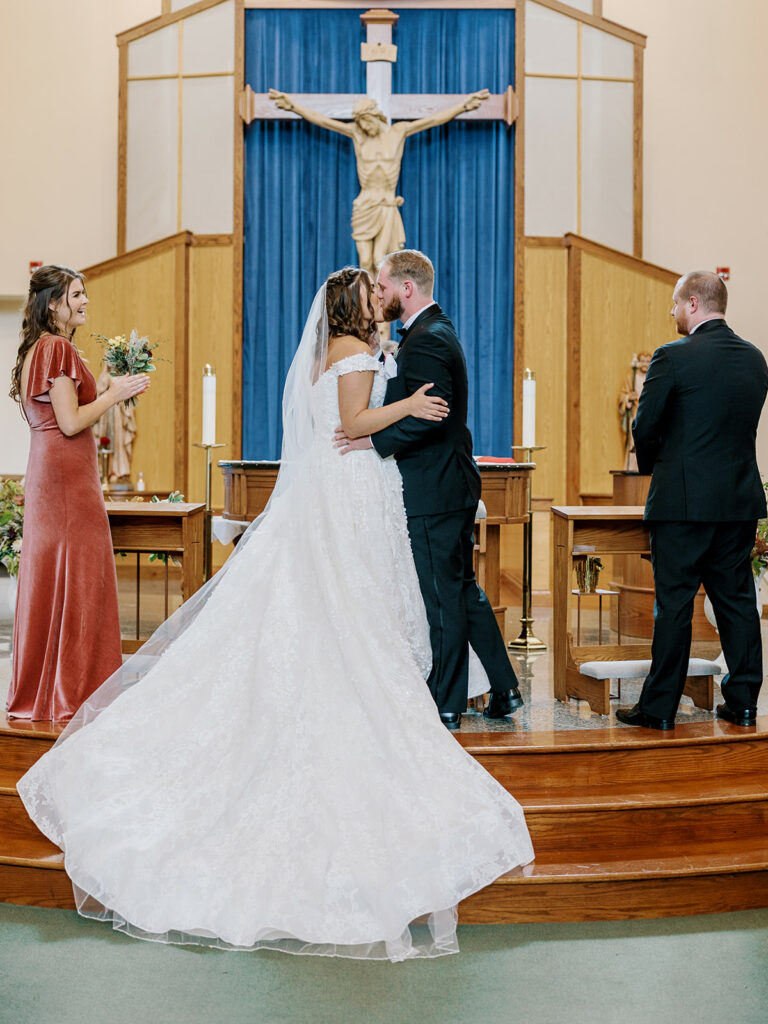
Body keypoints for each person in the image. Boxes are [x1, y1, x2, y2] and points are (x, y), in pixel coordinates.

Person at [18, 267, 534, 962]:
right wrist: (406, 404)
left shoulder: (337, 353)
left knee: (330, 606)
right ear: (356, 307)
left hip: (339, 485)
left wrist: (390, 405)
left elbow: (342, 423)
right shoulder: (351, 354)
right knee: (350, 607)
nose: (380, 301)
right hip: (349, 489)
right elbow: (353, 422)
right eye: (371, 295)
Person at [335, 250, 523, 730]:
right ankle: (504, 688)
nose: (378, 295)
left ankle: (447, 704)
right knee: (462, 592)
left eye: (382, 287)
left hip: (435, 488)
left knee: (441, 599)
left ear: (406, 289)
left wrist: (367, 440)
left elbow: (429, 418)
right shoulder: (429, 333)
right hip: (446, 484)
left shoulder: (427, 341)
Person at [616, 271, 768, 730]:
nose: (672, 312)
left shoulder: (673, 356)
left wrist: (655, 466)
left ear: (695, 304)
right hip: (738, 501)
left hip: (682, 505)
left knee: (674, 604)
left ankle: (659, 708)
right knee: (738, 602)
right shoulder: (755, 359)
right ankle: (742, 701)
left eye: (676, 304)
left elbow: (643, 427)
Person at [7, 265, 151, 721]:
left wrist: (110, 385)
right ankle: (75, 690)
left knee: (57, 578)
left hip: (51, 474)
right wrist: (115, 393)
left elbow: (62, 414)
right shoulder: (56, 348)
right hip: (67, 479)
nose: (85, 300)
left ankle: (48, 688)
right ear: (53, 304)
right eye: (76, 294)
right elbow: (70, 423)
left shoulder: (40, 348)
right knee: (82, 575)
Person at [267, 90, 489, 279]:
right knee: (364, 261)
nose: (364, 126)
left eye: (366, 121)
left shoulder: (398, 132)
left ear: (375, 116)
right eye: (360, 122)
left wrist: (463, 107)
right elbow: (324, 121)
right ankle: (369, 316)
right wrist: (293, 107)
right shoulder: (358, 135)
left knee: (380, 261)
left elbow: (432, 120)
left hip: (386, 205)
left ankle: (383, 321)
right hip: (365, 205)